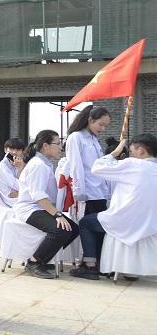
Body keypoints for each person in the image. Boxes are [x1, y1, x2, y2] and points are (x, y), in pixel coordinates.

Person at [80, 134, 157, 280]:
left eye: (132, 150)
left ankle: (89, 265)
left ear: (141, 150)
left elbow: (97, 168)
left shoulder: (134, 164)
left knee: (86, 223)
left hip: (124, 220)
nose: (130, 153)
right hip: (151, 224)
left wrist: (115, 152)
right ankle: (131, 269)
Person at [14, 129, 80, 279]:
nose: (60, 148)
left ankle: (43, 257)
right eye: (57, 144)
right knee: (61, 230)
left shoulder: (44, 163)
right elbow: (38, 196)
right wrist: (57, 215)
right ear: (45, 145)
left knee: (74, 229)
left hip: (40, 207)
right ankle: (34, 262)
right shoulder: (38, 165)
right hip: (30, 208)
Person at [64, 106, 112, 279]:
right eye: (101, 124)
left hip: (100, 191)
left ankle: (96, 263)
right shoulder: (76, 137)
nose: (102, 128)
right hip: (88, 192)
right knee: (90, 227)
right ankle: (90, 264)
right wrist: (79, 192)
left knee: (99, 229)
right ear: (90, 120)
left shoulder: (93, 139)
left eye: (105, 126)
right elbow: (76, 166)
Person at [0, 137, 25, 209]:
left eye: (18, 150)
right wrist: (20, 168)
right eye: (12, 149)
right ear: (5, 150)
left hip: (19, 198)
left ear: (22, 152)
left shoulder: (17, 164)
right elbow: (21, 186)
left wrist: (19, 168)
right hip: (12, 201)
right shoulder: (2, 166)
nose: (14, 152)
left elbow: (21, 185)